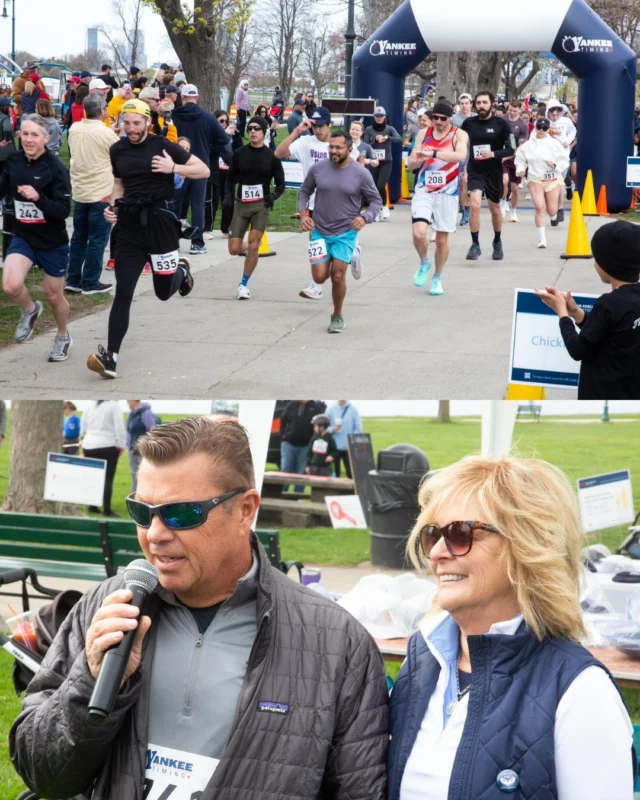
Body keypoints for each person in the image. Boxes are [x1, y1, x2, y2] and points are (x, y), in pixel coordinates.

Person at [10, 417, 388, 800]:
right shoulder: (105, 609)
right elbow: (43, 777)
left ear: (245, 510)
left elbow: (360, 790)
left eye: (181, 514)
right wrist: (88, 681)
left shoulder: (338, 644)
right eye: (142, 512)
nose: (155, 533)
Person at [388, 453, 635, 798]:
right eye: (433, 534)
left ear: (526, 547)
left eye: (460, 533)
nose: (438, 552)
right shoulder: (422, 658)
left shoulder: (580, 691)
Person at [86, 99, 208, 380]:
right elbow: (118, 184)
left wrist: (173, 168)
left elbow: (203, 170)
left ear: (147, 123)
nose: (131, 128)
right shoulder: (117, 149)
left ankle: (182, 270)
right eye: (126, 123)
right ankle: (111, 358)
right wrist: (113, 208)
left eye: (136, 123)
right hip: (129, 226)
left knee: (163, 292)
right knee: (123, 292)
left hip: (161, 224)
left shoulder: (164, 146)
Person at [535, 220, 640, 399]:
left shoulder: (608, 304)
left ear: (608, 265)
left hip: (603, 397)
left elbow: (578, 350)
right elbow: (609, 332)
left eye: (596, 259)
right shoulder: (629, 301)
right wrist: (576, 313)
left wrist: (563, 314)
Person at [0, 114, 72, 361]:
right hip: (23, 236)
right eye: (25, 134)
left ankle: (62, 335)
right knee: (10, 285)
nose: (29, 140)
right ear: (19, 134)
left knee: (53, 295)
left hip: (52, 241)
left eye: (35, 135)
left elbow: (63, 211)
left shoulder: (56, 168)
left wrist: (38, 198)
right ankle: (30, 309)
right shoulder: (13, 161)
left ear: (46, 138)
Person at [298, 130, 381, 333]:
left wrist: (364, 217)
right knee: (319, 278)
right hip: (319, 229)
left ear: (349, 149)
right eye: (331, 147)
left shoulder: (361, 173)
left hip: (346, 231)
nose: (333, 151)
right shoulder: (318, 169)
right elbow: (304, 191)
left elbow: (376, 201)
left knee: (337, 275)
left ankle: (337, 316)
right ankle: (354, 254)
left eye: (338, 148)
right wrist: (303, 214)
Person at [276, 107, 362, 301]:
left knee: (335, 245)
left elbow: (359, 164)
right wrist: (298, 130)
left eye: (321, 125)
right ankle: (317, 285)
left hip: (340, 203)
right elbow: (278, 153)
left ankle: (352, 249)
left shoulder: (339, 144)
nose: (318, 130)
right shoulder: (306, 142)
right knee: (315, 243)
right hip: (315, 202)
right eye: (314, 126)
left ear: (330, 124)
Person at [408, 101, 469, 296]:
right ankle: (424, 262)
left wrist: (433, 153)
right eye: (435, 118)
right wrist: (416, 159)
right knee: (419, 232)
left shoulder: (459, 134)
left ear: (450, 118)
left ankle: (437, 278)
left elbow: (460, 156)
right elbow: (411, 164)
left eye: (443, 118)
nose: (439, 122)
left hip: (447, 193)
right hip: (424, 189)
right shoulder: (423, 134)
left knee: (442, 240)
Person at [224, 115, 285, 299]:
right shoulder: (240, 154)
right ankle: (252, 248)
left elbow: (281, 184)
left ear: (263, 132)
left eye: (256, 128)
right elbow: (230, 178)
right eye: (250, 128)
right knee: (234, 249)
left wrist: (273, 196)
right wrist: (228, 196)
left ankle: (243, 284)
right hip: (242, 204)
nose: (252, 131)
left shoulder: (271, 157)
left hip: (261, 205)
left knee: (253, 244)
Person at [66, 94, 118, 295]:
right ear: (103, 111)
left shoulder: (74, 128)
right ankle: (90, 281)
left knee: (79, 237)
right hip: (100, 192)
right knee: (97, 239)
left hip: (80, 190)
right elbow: (117, 156)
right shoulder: (106, 134)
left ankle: (73, 279)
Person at [172, 83, 229, 255]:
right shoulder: (208, 117)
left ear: (182, 98)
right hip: (200, 165)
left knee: (175, 203)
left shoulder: (175, 116)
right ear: (197, 97)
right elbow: (224, 139)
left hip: (179, 165)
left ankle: (172, 242)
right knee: (198, 204)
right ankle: (197, 243)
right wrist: (209, 148)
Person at [461, 91, 515, 262]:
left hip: (494, 171)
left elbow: (511, 149)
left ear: (492, 103)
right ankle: (475, 244)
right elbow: (457, 142)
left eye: (485, 102)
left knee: (495, 209)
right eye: (478, 103)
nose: (481, 106)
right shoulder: (468, 123)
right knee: (475, 204)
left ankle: (497, 241)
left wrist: (493, 154)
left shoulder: (502, 124)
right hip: (475, 169)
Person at [514, 117, 569, 248]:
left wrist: (555, 165)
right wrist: (521, 170)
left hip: (552, 179)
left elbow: (564, 160)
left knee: (551, 210)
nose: (541, 130)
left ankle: (554, 215)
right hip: (535, 178)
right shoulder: (528, 145)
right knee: (539, 207)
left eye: (544, 128)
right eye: (539, 127)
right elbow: (520, 160)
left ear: (548, 129)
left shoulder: (554, 144)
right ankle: (542, 239)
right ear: (536, 128)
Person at [79, 400, 126, 516]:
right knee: (107, 478)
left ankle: (92, 505)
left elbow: (83, 424)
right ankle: (106, 509)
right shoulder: (113, 405)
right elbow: (119, 426)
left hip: (89, 445)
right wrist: (121, 444)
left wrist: (83, 437)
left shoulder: (90, 405)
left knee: (92, 477)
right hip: (107, 444)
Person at [536, 99, 576, 226]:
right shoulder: (543, 122)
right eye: (552, 114)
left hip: (562, 156)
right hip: (546, 157)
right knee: (548, 184)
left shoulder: (566, 121)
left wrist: (568, 142)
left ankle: (559, 209)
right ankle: (551, 208)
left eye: (556, 114)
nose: (554, 116)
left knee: (559, 182)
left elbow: (573, 132)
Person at [205, 109, 241, 238]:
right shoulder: (212, 134)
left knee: (228, 201)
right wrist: (223, 135)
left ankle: (226, 229)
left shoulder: (230, 135)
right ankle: (207, 228)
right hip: (215, 171)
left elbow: (239, 152)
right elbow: (212, 150)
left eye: (226, 121)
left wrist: (236, 137)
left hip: (228, 172)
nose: (224, 123)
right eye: (221, 121)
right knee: (212, 201)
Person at [363, 106, 403, 221]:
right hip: (374, 161)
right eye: (377, 116)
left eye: (381, 116)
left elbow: (399, 139)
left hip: (386, 161)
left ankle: (384, 206)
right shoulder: (369, 129)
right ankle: (377, 209)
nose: (379, 118)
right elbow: (366, 145)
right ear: (374, 117)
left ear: (384, 117)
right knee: (374, 186)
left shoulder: (389, 129)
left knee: (381, 185)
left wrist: (387, 138)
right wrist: (375, 141)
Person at [280, 400, 326, 489]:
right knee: (285, 471)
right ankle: (282, 495)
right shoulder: (291, 405)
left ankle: (298, 498)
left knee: (302, 473)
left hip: (306, 446)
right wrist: (282, 437)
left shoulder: (316, 407)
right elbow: (283, 420)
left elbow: (321, 425)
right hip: (288, 444)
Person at [500, 99, 529, 223]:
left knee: (515, 187)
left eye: (514, 111)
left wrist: (510, 155)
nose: (511, 112)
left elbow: (521, 145)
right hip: (502, 156)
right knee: (504, 181)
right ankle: (503, 202)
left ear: (519, 110)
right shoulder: (502, 120)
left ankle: (513, 210)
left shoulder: (523, 125)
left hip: (516, 158)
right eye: (510, 110)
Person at [126, 399, 158, 491]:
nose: (127, 402)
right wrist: (128, 446)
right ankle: (135, 499)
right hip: (133, 451)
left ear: (135, 400)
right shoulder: (132, 414)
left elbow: (152, 431)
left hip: (143, 451)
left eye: (129, 400)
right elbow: (129, 431)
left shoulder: (146, 413)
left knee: (144, 476)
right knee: (134, 476)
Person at [326, 400, 362, 478]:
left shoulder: (353, 409)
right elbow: (324, 427)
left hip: (348, 447)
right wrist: (333, 429)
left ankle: (351, 490)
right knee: (334, 474)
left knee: (351, 474)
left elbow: (358, 428)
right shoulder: (330, 409)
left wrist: (352, 440)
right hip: (334, 448)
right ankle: (334, 490)